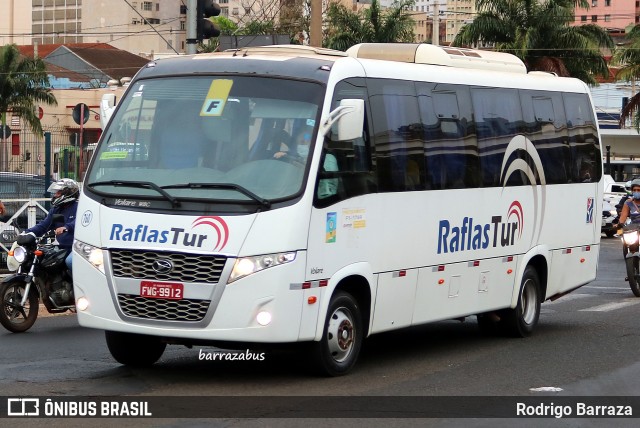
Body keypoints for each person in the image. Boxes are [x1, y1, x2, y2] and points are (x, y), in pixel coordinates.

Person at [22, 178, 79, 272]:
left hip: (77, 249)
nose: (55, 195)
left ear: (68, 193)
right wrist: (27, 233)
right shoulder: (56, 210)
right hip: (62, 247)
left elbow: (79, 221)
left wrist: (66, 227)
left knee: (70, 261)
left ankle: (77, 286)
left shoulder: (79, 207)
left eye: (58, 193)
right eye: (55, 193)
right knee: (44, 259)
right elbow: (44, 225)